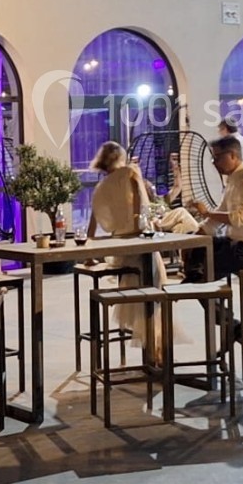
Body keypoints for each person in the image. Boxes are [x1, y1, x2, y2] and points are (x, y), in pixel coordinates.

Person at [86, 141, 170, 350]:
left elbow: (93, 224)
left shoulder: (100, 188)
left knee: (137, 300)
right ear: (120, 157)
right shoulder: (130, 173)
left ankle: (151, 348)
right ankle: (156, 350)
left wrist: (88, 254)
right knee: (156, 293)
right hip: (142, 242)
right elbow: (141, 207)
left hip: (122, 251)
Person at [188, 136, 243, 281]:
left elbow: (242, 219)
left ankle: (197, 285)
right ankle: (194, 282)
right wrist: (193, 237)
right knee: (197, 248)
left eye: (218, 158)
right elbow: (216, 218)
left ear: (233, 155)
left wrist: (206, 213)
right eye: (213, 159)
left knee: (206, 268)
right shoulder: (233, 180)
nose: (214, 163)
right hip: (236, 244)